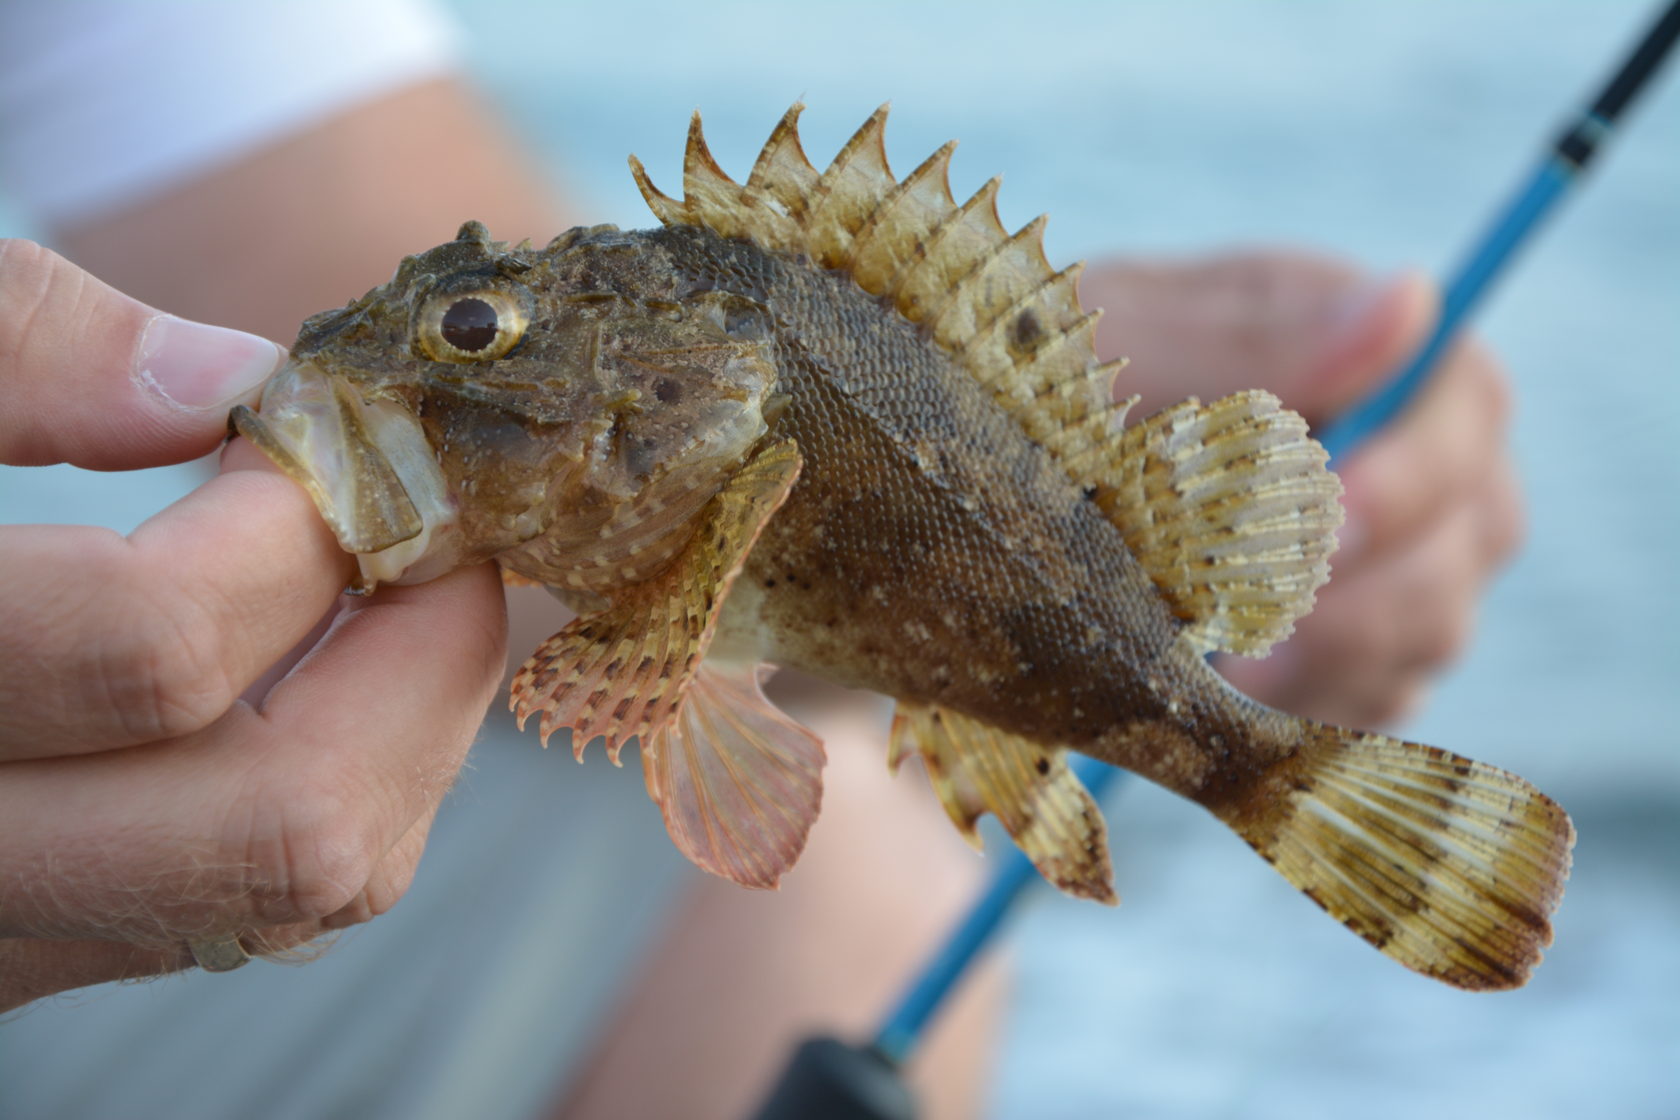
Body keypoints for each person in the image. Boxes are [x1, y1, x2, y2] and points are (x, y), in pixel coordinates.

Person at [0, 3, 1520, 1117]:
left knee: (827, 883)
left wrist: (1058, 407)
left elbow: (316, 223)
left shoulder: (680, 379)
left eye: (469, 332)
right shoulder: (666, 377)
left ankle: (1262, 770)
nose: (421, 361)